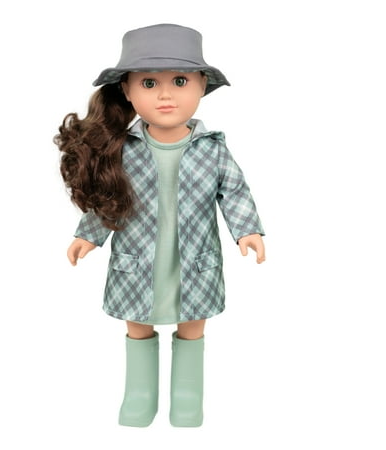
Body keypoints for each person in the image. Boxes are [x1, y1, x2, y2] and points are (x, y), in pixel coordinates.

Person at [55, 23, 265, 427]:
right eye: (149, 83)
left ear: (201, 86)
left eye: (180, 81)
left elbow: (235, 191)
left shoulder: (213, 148)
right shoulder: (121, 149)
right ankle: (140, 395)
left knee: (192, 325)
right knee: (138, 324)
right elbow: (108, 197)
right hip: (139, 259)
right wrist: (88, 235)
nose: (165, 95)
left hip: (193, 260)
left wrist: (247, 230)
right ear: (127, 91)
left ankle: (187, 397)